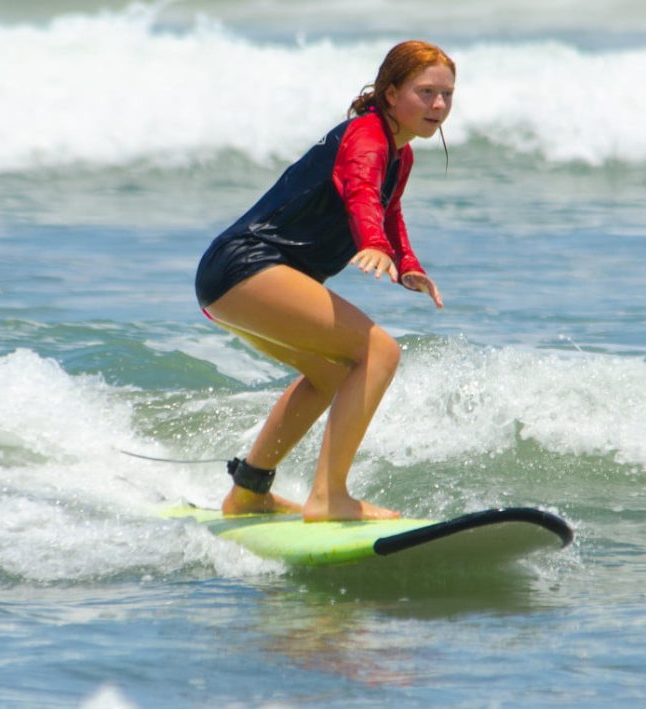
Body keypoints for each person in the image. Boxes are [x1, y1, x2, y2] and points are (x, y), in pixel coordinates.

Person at [195, 39, 456, 521]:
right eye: (426, 92)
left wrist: (407, 263)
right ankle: (329, 496)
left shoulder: (399, 154)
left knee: (330, 374)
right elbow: (361, 192)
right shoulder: (368, 136)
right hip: (247, 265)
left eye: (447, 95)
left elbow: (388, 210)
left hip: (233, 277)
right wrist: (372, 243)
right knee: (380, 352)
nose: (438, 105)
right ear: (391, 93)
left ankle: (249, 490)